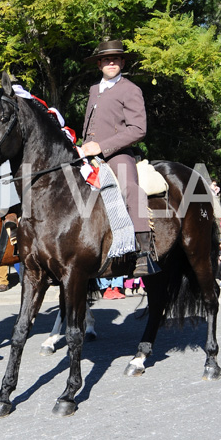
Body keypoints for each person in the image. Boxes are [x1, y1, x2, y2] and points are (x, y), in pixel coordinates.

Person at [80, 39, 154, 277]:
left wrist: (101, 146)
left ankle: (144, 251)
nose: (111, 63)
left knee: (130, 188)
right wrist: (83, 148)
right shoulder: (93, 89)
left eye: (115, 59)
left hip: (118, 155)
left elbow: (138, 129)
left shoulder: (131, 89)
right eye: (106, 59)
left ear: (122, 62)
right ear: (99, 63)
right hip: (87, 154)